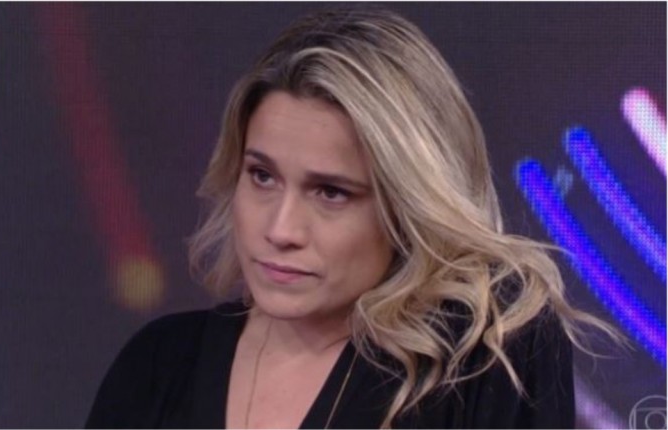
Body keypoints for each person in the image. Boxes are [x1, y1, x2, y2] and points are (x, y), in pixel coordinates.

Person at [86, 7, 619, 429]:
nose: (280, 230)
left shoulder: (483, 364)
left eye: (331, 193)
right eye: (262, 176)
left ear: (407, 206)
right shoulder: (157, 366)